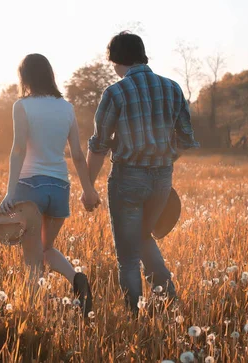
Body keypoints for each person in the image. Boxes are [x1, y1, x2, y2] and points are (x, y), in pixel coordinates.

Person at [83, 32, 199, 313]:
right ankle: (169, 300)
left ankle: (134, 315)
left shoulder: (115, 92)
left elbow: (99, 145)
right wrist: (163, 158)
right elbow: (185, 139)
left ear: (115, 60)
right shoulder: (172, 88)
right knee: (144, 237)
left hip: (127, 179)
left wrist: (89, 188)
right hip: (162, 179)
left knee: (128, 257)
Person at [0, 54, 99, 316]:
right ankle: (77, 280)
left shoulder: (22, 106)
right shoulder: (66, 107)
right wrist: (88, 189)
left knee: (32, 260)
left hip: (29, 187)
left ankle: (32, 315)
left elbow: (19, 148)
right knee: (45, 249)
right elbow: (77, 153)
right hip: (59, 188)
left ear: (25, 77)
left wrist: (10, 191)